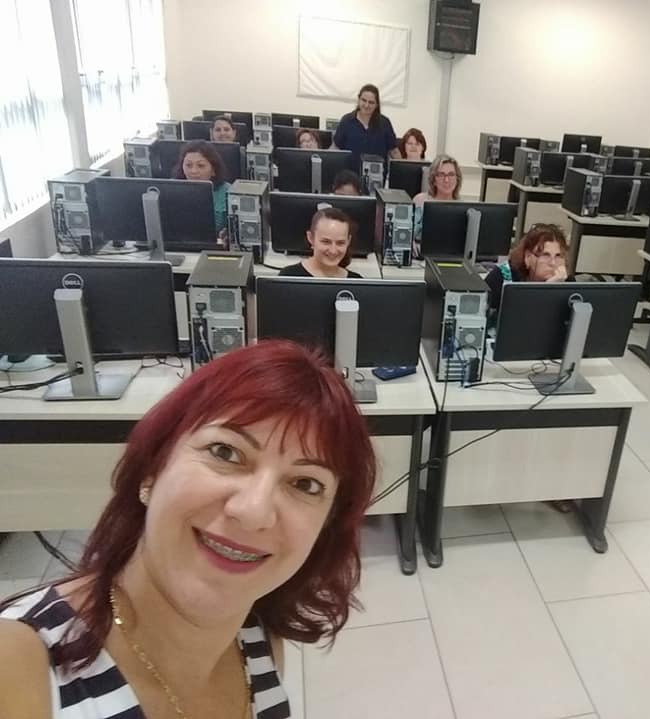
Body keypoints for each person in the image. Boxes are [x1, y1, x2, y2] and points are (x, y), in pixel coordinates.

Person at [0, 339, 377, 718]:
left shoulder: (259, 642)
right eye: (225, 452)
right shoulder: (19, 667)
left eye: (305, 484)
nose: (253, 511)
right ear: (152, 468)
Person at [484, 223, 570, 315]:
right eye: (545, 255)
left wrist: (558, 290)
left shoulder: (568, 284)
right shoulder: (500, 277)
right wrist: (546, 291)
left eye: (558, 256)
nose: (553, 263)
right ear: (528, 257)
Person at [279, 206, 363, 279]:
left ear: (348, 241)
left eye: (340, 243)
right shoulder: (288, 277)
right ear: (310, 238)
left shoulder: (357, 282)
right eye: (326, 242)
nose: (333, 251)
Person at [332, 84, 400, 164]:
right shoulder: (346, 121)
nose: (366, 105)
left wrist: (403, 168)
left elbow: (394, 151)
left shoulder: (385, 123)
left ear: (376, 105)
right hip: (350, 171)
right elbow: (336, 147)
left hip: (377, 171)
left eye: (371, 102)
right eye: (364, 100)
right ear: (358, 100)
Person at [173, 140, 229, 238]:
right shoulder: (171, 189)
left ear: (213, 170)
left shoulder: (227, 192)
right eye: (188, 165)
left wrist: (227, 234)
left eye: (201, 166)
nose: (193, 171)